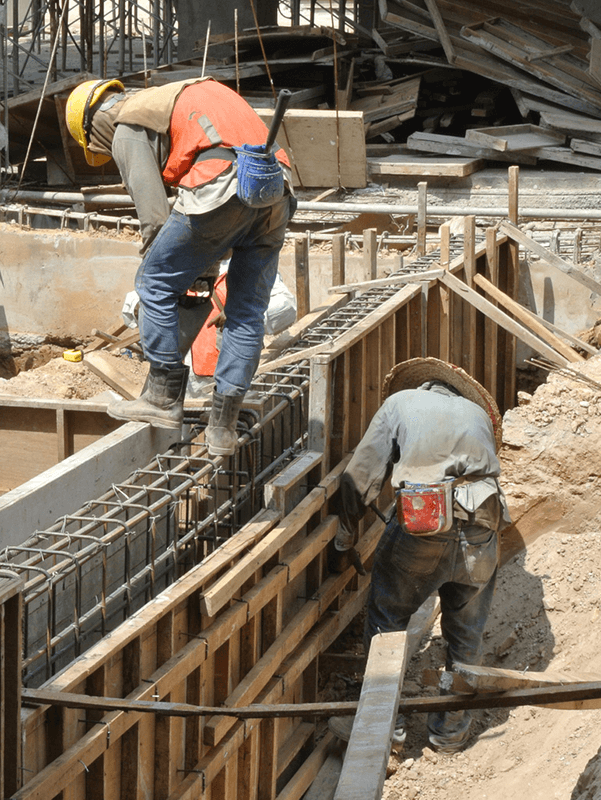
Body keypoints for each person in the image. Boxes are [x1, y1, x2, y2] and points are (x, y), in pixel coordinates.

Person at [65, 76, 295, 455]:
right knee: (246, 311)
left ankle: (160, 399)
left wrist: (181, 271)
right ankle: (223, 427)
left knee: (153, 281)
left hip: (222, 181)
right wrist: (200, 269)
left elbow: (155, 219)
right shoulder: (181, 98)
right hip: (275, 190)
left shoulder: (127, 123)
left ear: (94, 124)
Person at [329, 357, 509, 754]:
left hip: (424, 524)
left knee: (387, 620)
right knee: (466, 634)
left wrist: (344, 540)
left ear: (421, 386)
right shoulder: (477, 414)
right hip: (483, 525)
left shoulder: (400, 403)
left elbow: (361, 477)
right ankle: (449, 734)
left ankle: (384, 727)